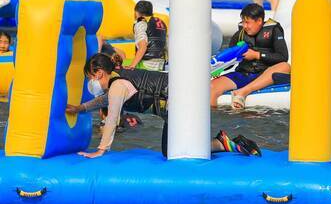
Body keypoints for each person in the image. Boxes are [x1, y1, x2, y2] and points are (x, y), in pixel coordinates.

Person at [66, 53, 261, 158]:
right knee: (174, 149)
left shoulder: (118, 85)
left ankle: (225, 143)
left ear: (99, 73)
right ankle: (224, 142)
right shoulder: (118, 80)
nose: (91, 83)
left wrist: (101, 150)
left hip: (182, 103)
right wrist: (80, 108)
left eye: (90, 78)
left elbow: (112, 118)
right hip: (181, 102)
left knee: (173, 152)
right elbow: (105, 100)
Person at [210, 4, 290, 109]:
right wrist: (219, 67)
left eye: (248, 22)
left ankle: (243, 92)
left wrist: (257, 55)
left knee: (285, 66)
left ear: (259, 21)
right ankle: (212, 120)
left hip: (265, 74)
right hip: (244, 74)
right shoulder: (239, 35)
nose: (244, 26)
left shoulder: (273, 31)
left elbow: (283, 57)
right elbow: (230, 62)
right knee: (211, 87)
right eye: (243, 22)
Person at [126, 0, 167, 71]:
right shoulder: (161, 23)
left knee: (118, 64)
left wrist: (132, 66)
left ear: (136, 12)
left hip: (147, 65)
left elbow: (143, 46)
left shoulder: (141, 23)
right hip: (161, 65)